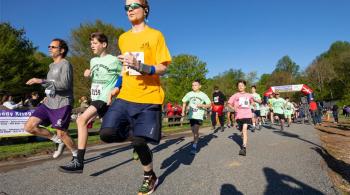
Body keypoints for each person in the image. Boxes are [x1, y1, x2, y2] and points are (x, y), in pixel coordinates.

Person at [97, 0, 172, 193]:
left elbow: (163, 67)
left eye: (134, 6)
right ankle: (137, 139)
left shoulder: (156, 35)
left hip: (149, 97)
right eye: (126, 7)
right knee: (106, 133)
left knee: (139, 141)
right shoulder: (123, 38)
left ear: (145, 10)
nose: (129, 10)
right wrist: (117, 86)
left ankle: (150, 175)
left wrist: (141, 66)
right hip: (126, 95)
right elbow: (125, 67)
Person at [59, 32, 122, 173]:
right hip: (95, 98)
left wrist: (117, 87)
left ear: (104, 44)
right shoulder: (93, 61)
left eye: (95, 43)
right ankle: (137, 140)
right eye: (91, 44)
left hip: (105, 98)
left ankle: (78, 162)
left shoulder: (114, 60)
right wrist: (88, 73)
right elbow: (96, 76)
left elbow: (124, 74)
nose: (92, 46)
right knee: (108, 133)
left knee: (81, 120)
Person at [24, 38, 77, 159]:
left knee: (62, 134)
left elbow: (65, 85)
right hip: (48, 103)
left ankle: (76, 155)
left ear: (62, 50)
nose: (49, 48)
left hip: (62, 103)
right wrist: (46, 95)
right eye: (49, 46)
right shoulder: (51, 66)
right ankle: (57, 141)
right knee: (29, 127)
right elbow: (51, 85)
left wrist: (41, 81)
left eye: (53, 47)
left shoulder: (65, 64)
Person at [182, 80, 211, 155]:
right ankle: (196, 138)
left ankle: (194, 146)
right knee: (193, 131)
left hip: (199, 115)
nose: (193, 86)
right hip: (191, 115)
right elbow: (184, 102)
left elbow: (209, 104)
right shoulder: (189, 94)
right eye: (192, 85)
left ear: (199, 86)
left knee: (195, 130)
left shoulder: (203, 95)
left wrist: (202, 105)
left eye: (195, 85)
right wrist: (183, 111)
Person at [228, 80, 254, 156]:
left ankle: (244, 148)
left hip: (247, 114)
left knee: (245, 130)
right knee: (241, 129)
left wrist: (253, 104)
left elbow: (252, 101)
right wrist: (233, 108)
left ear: (245, 86)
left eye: (242, 85)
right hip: (238, 116)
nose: (240, 87)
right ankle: (242, 132)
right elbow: (229, 103)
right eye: (239, 86)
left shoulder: (249, 95)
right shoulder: (235, 95)